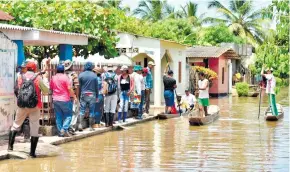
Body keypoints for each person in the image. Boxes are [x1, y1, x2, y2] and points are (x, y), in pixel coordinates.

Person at [8, 61, 49, 158]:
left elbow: (16, 89)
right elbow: (46, 91)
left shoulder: (20, 77)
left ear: (26, 68)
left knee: (16, 125)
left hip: (22, 106)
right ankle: (32, 153)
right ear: (34, 69)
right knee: (34, 128)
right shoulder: (38, 78)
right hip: (35, 106)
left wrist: (21, 99)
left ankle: (10, 147)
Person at [50, 64, 77, 137]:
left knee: (58, 116)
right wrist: (74, 96)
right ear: (63, 70)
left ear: (56, 70)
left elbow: (51, 87)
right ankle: (63, 129)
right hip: (65, 99)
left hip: (55, 99)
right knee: (68, 115)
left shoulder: (53, 77)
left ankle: (60, 132)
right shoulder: (66, 78)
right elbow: (69, 88)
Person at [78, 61, 99, 131]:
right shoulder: (94, 75)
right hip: (92, 94)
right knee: (91, 111)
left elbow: (79, 87)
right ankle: (90, 127)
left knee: (82, 110)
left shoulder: (81, 75)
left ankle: (80, 125)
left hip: (83, 94)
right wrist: (97, 97)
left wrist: (79, 96)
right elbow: (96, 88)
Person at [63, 60, 80, 134]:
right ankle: (71, 128)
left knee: (65, 113)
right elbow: (76, 87)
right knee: (74, 112)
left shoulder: (62, 74)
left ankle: (65, 128)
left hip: (63, 97)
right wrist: (76, 96)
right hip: (72, 96)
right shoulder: (74, 75)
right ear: (71, 66)